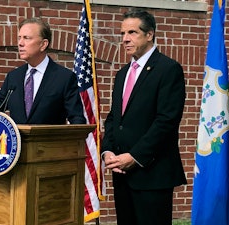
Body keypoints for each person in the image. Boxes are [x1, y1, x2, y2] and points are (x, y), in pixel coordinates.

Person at [101, 9, 187, 225]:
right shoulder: (122, 73)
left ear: (150, 35)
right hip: (122, 174)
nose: (125, 39)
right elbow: (114, 118)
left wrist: (135, 156)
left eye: (132, 32)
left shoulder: (168, 69)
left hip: (152, 175)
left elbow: (166, 121)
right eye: (122, 34)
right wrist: (108, 150)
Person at [0, 18, 86, 125]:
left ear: (43, 44)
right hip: (17, 153)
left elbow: (77, 119)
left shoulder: (64, 78)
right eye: (19, 38)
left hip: (49, 153)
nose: (20, 43)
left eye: (26, 38)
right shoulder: (14, 77)